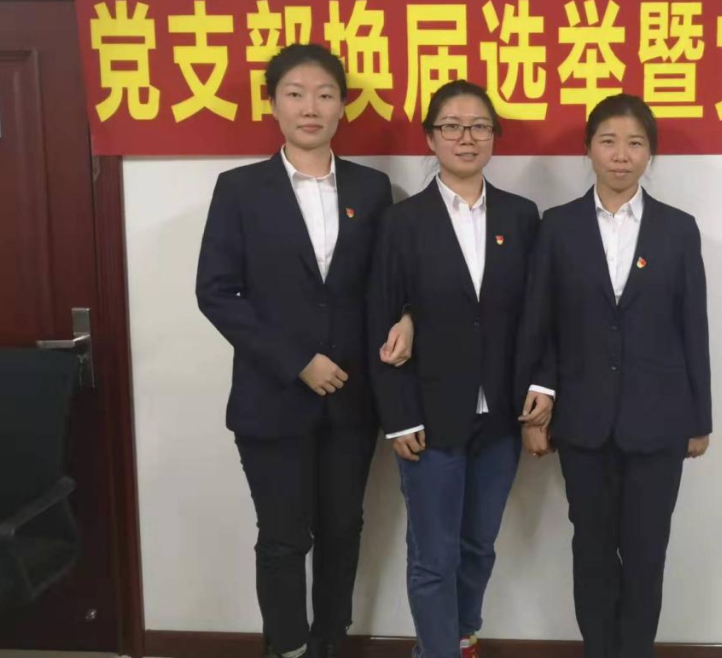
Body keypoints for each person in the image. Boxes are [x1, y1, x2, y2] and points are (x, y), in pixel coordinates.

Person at [196, 43, 413, 658]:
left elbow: (390, 281)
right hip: (271, 400)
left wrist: (408, 316)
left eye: (324, 94)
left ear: (343, 105)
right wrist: (296, 361)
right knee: (284, 538)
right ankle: (286, 648)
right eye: (295, 94)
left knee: (343, 531)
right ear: (273, 104)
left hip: (352, 401)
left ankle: (329, 645)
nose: (310, 107)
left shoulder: (372, 188)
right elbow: (216, 291)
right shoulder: (240, 189)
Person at [516, 93, 712, 658]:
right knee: (593, 552)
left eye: (634, 143)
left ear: (650, 153)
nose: (621, 155)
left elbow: (693, 328)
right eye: (608, 141)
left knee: (647, 554)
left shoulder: (678, 230)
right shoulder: (558, 227)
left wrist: (699, 419)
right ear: (588, 150)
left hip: (660, 421)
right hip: (583, 422)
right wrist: (536, 409)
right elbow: (540, 324)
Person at [368, 80, 547, 658]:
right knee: (433, 556)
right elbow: (381, 320)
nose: (466, 138)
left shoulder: (522, 216)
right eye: (451, 126)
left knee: (478, 546)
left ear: (494, 136)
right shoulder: (402, 221)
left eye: (479, 126)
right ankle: (436, 651)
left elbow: (538, 313)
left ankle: (463, 636)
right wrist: (398, 417)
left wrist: (541, 390)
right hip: (428, 414)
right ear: (430, 138)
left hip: (499, 417)